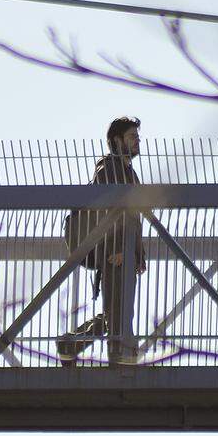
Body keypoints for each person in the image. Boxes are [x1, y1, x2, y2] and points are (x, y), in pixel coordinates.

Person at [57, 116, 146, 366]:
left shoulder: (126, 171)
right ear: (117, 141)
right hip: (113, 251)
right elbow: (111, 214)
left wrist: (138, 254)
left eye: (138, 137)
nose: (138, 141)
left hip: (122, 250)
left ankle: (73, 343)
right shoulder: (109, 169)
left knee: (117, 313)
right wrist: (121, 250)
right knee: (118, 313)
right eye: (132, 137)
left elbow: (134, 219)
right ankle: (119, 361)